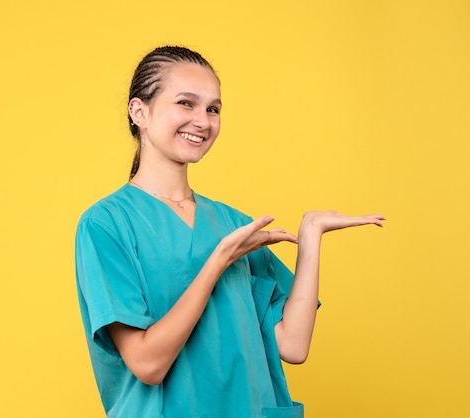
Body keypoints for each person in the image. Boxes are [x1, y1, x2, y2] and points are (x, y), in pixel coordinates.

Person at [75, 46, 384, 418]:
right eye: (186, 103)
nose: (203, 121)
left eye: (213, 109)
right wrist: (219, 260)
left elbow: (293, 345)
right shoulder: (106, 225)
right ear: (139, 111)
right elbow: (147, 365)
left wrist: (311, 236)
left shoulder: (235, 225)